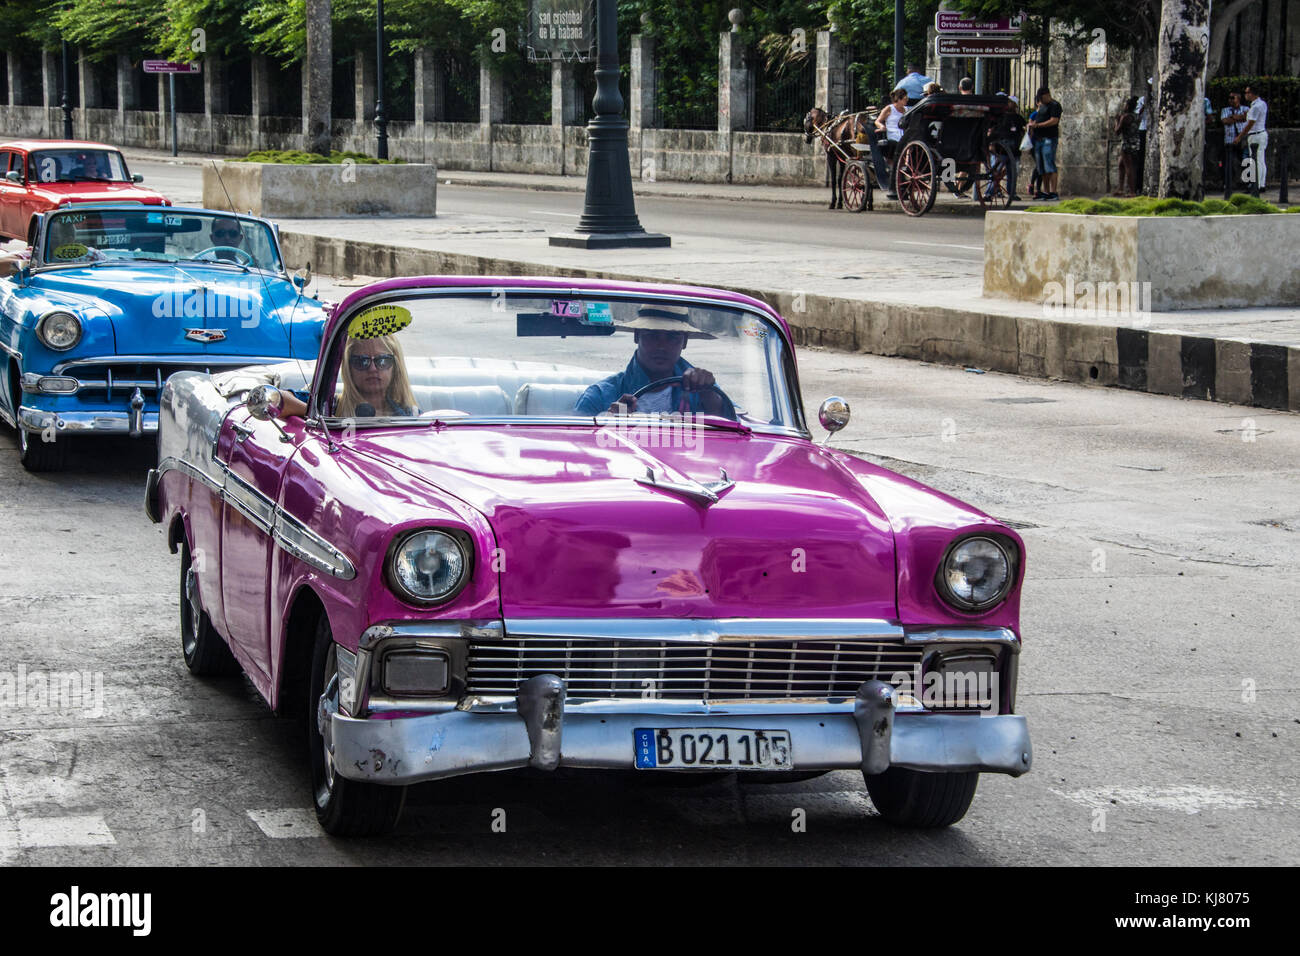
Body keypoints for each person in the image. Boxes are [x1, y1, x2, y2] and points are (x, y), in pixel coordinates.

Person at [573, 304, 734, 418]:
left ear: (684, 342)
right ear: (637, 336)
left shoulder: (704, 389)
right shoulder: (599, 396)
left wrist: (709, 396)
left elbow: (737, 436)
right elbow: (575, 447)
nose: (661, 346)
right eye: (652, 335)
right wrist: (607, 421)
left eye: (672, 337)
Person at [336, 333, 418, 418]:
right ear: (348, 368)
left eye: (382, 360)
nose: (372, 369)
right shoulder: (328, 412)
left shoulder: (413, 416)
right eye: (362, 361)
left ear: (395, 367)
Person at [1027, 86, 1062, 200]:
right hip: (1039, 139)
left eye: (1042, 98)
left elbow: (1054, 120)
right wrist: (1032, 125)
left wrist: (1038, 125)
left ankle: (1053, 191)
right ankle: (1046, 191)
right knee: (1041, 167)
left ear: (1047, 95)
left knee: (1049, 165)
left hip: (1049, 138)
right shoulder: (1042, 106)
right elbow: (1039, 119)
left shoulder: (1054, 105)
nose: (1040, 101)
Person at [1235, 85, 1268, 198]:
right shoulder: (1262, 104)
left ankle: (1256, 185)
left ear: (1252, 94)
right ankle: (1261, 183)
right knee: (1261, 160)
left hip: (1255, 135)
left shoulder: (1255, 107)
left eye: (1247, 92)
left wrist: (1240, 136)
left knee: (1255, 161)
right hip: (1261, 133)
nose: (1245, 95)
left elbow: (1250, 124)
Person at [1220, 91, 1248, 199]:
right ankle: (1227, 183)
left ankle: (1248, 184)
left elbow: (1247, 118)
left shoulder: (1246, 109)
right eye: (1229, 98)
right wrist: (1238, 117)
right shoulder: (1225, 110)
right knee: (1227, 163)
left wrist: (1235, 117)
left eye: (1233, 98)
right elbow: (1225, 121)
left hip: (1242, 139)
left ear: (1238, 99)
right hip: (1229, 140)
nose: (1231, 100)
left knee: (1246, 161)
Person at [1114, 96, 1141, 197]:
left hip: (1127, 144)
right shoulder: (1137, 116)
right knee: (1121, 164)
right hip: (1135, 143)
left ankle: (1132, 191)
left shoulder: (1125, 117)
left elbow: (1117, 131)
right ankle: (1120, 188)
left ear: (1128, 106)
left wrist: (1117, 120)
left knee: (1128, 167)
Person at [1134, 77, 1152, 193]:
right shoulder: (1142, 100)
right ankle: (1139, 187)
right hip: (1143, 130)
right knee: (1141, 159)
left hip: (1154, 130)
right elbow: (1137, 115)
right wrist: (1144, 105)